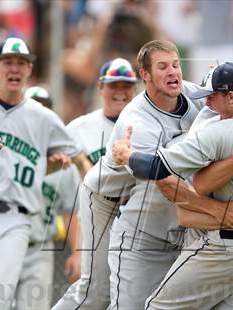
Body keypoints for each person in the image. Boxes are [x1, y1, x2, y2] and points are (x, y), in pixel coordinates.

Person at [113, 60, 233, 309]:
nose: (206, 103)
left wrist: (126, 156)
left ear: (230, 96)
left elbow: (156, 168)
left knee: (157, 306)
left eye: (211, 96)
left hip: (228, 247)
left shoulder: (219, 132)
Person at [0, 37, 89, 309]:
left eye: (21, 63)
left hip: (16, 219)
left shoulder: (44, 117)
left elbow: (79, 157)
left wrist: (89, 178)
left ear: (29, 70)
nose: (14, 69)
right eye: (8, 62)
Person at [52, 57, 138, 310]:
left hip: (136, 225)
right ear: (100, 86)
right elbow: (68, 193)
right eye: (114, 85)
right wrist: (78, 249)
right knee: (93, 294)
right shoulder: (78, 129)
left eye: (126, 85)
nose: (120, 92)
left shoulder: (146, 125)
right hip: (96, 225)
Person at [11, 86, 81, 309]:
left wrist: (78, 253)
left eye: (44, 109)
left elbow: (73, 211)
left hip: (39, 249)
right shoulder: (7, 151)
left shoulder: (64, 164)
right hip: (2, 243)